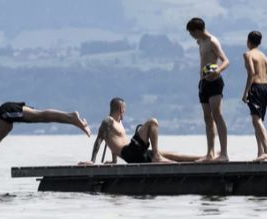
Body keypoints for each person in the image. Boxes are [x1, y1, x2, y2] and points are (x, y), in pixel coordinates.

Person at [0, 102, 90, 193]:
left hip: (4, 113)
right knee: (42, 119)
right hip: (9, 117)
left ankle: (72, 117)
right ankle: (73, 120)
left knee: (39, 115)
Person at [89, 97, 201, 164]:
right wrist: (92, 161)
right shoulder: (108, 121)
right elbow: (99, 139)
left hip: (134, 153)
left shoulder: (118, 123)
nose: (125, 111)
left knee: (171, 154)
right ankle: (157, 156)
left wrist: (114, 161)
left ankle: (201, 158)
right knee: (152, 122)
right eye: (124, 109)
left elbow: (113, 142)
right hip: (130, 152)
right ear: (121, 109)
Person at [187, 17, 230, 162]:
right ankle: (210, 153)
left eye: (192, 33)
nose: (192, 37)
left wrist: (218, 70)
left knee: (217, 114)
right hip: (203, 82)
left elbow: (226, 60)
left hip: (214, 81)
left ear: (198, 30)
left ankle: (224, 153)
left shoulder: (212, 41)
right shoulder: (200, 42)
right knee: (207, 118)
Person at [242, 30, 267, 161]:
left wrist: (245, 92)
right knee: (258, 121)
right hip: (265, 88)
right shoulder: (264, 57)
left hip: (255, 88)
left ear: (248, 41)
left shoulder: (248, 54)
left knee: (256, 120)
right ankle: (260, 152)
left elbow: (251, 73)